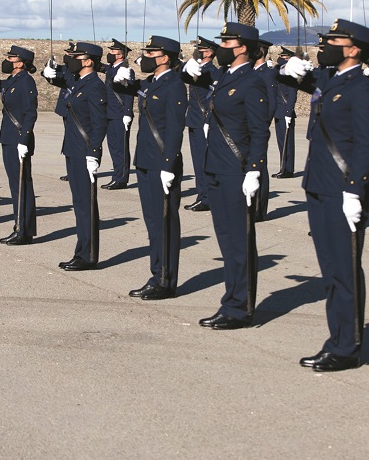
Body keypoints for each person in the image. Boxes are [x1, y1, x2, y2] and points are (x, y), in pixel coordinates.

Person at [297, 19, 369, 372]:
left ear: (354, 48)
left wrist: (354, 190)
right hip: (319, 185)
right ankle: (337, 339)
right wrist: (292, 69)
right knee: (330, 269)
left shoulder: (361, 88)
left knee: (344, 270)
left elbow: (366, 142)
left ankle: (347, 347)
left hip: (341, 190)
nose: (325, 44)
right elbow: (293, 80)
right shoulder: (332, 80)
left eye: (333, 40)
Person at [188, 23, 269, 329]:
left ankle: (241, 308)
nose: (221, 46)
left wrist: (254, 170)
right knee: (226, 241)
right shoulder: (226, 76)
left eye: (227, 42)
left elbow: (260, 132)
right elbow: (192, 78)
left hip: (236, 170)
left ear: (243, 47)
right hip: (215, 167)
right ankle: (231, 301)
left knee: (240, 242)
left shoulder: (253, 81)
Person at [114, 36, 187, 299]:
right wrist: (115, 75)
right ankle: (157, 274)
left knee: (164, 223)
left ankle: (166, 280)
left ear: (165, 57)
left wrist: (169, 163)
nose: (146, 56)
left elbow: (176, 128)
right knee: (153, 223)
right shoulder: (150, 82)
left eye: (151, 52)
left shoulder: (175, 86)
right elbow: (126, 88)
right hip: (144, 161)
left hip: (161, 164)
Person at [55, 42, 108, 271]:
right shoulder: (80, 83)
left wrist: (94, 153)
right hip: (73, 149)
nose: (72, 59)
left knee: (86, 205)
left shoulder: (94, 85)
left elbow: (99, 122)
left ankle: (88, 255)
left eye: (77, 56)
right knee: (79, 204)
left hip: (84, 151)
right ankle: (81, 251)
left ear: (88, 61)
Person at [0, 46, 39, 244]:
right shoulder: (12, 80)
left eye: (11, 58)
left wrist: (24, 140)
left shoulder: (26, 82)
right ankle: (19, 225)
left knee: (21, 186)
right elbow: (0, 86)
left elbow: (30, 113)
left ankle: (24, 230)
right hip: (8, 137)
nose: (7, 60)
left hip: (18, 139)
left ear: (21, 62)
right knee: (15, 185)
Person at [182, 37, 219, 211]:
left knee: (204, 161)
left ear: (210, 53)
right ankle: (202, 194)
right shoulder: (194, 68)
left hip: (204, 121)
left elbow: (214, 95)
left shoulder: (212, 71)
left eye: (202, 49)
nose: (198, 51)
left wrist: (208, 120)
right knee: (198, 161)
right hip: (194, 120)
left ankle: (207, 197)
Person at [101, 39, 134, 190]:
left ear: (120, 55)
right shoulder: (110, 68)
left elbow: (128, 94)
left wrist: (127, 112)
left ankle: (121, 178)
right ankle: (116, 175)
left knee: (121, 147)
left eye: (113, 52)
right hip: (109, 113)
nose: (110, 54)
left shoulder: (126, 70)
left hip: (120, 114)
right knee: (113, 147)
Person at [44, 42, 78, 182]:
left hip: (75, 110)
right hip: (66, 109)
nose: (67, 57)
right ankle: (70, 171)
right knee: (68, 142)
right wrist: (48, 68)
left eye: (70, 55)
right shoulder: (65, 68)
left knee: (75, 142)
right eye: (67, 54)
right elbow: (53, 75)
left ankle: (76, 170)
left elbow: (64, 80)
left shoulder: (75, 71)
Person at [251, 39, 277, 221]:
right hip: (248, 126)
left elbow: (271, 103)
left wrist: (261, 124)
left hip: (257, 126)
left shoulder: (267, 74)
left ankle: (259, 209)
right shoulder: (252, 73)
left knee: (260, 166)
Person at [272, 47, 299, 179]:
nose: (282, 59)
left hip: (285, 112)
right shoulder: (280, 73)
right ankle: (283, 168)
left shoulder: (291, 75)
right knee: (281, 142)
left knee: (288, 143)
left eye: (285, 58)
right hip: (278, 112)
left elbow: (292, 95)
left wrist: (289, 112)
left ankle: (288, 170)